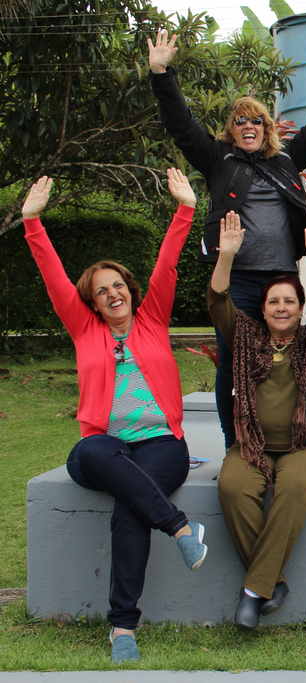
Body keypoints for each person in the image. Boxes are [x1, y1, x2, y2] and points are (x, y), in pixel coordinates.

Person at [22, 170, 208, 663]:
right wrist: (32, 223)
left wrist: (185, 209)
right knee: (92, 449)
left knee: (130, 509)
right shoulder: (84, 331)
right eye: (101, 291)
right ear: (93, 303)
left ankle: (122, 628)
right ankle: (180, 529)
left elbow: (168, 264)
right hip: (105, 448)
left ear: (129, 287)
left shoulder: (152, 320)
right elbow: (54, 278)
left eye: (117, 284)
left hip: (161, 445)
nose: (112, 293)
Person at [148, 29, 306, 448]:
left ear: (266, 128)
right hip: (237, 281)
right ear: (231, 129)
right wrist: (160, 73)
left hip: (281, 279)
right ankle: (233, 442)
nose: (248, 126)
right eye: (240, 121)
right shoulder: (218, 160)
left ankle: (290, 433)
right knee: (231, 365)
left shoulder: (285, 161)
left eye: (256, 120)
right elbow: (181, 125)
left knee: (291, 360)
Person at [208, 209, 306, 630]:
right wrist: (226, 256)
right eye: (274, 301)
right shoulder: (245, 337)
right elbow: (217, 300)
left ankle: (251, 592)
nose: (281, 307)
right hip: (251, 446)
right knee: (232, 486)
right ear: (263, 309)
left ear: (302, 308)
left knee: (295, 486)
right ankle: (270, 583)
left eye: (289, 301)